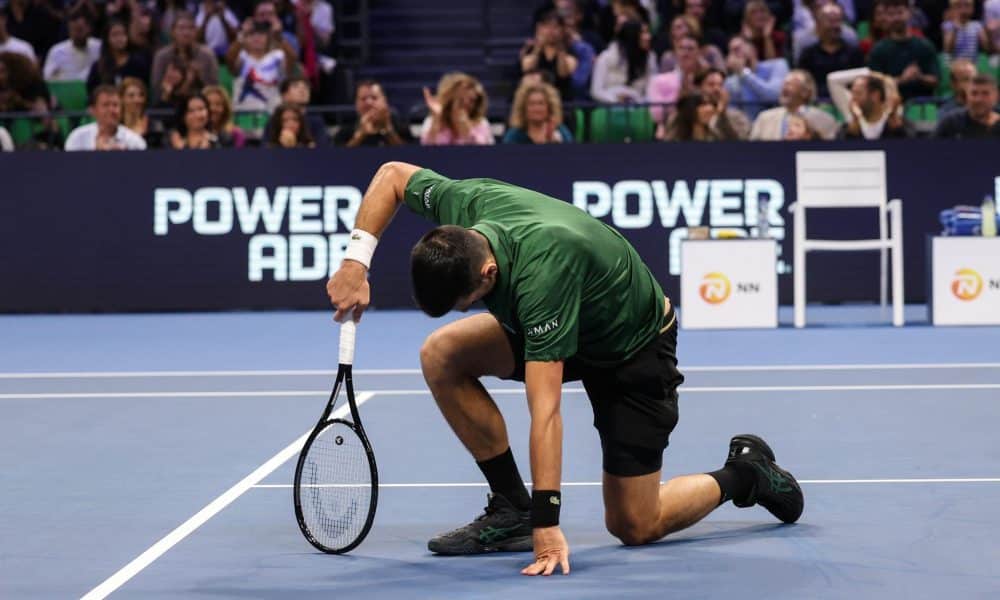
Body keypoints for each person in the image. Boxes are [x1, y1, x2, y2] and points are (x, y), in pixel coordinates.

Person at [325, 161, 805, 575]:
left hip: (631, 347)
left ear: (488, 274)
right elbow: (391, 177)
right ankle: (510, 508)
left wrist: (548, 522)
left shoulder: (541, 277)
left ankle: (747, 473)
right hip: (574, 322)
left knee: (635, 525)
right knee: (442, 353)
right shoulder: (466, 206)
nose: (468, 310)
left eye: (467, 302)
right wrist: (355, 262)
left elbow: (546, 413)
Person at [867, 0, 939, 101]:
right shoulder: (878, 50)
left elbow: (935, 81)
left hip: (923, 106)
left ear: (909, 13)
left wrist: (919, 76)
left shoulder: (924, 45)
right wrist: (902, 79)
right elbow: (876, 86)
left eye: (900, 13)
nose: (896, 18)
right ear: (886, 18)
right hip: (891, 105)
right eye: (891, 14)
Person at [151, 12, 220, 104]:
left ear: (196, 31)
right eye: (181, 28)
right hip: (169, 106)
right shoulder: (162, 56)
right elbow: (156, 92)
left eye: (191, 28)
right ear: (172, 32)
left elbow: (213, 90)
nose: (186, 33)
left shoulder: (207, 55)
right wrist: (169, 84)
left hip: (201, 106)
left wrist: (198, 77)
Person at [750, 70, 837, 140]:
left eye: (792, 83)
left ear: (805, 92)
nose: (785, 86)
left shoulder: (825, 120)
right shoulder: (764, 118)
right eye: (785, 83)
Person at [590, 19, 656, 103]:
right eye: (643, 33)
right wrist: (616, 99)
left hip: (638, 110)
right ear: (632, 36)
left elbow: (651, 93)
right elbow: (596, 91)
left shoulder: (650, 58)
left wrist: (635, 101)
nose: (648, 37)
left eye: (648, 32)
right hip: (609, 109)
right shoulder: (605, 58)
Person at [519, 9, 579, 100]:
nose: (551, 31)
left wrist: (560, 50)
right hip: (534, 96)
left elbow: (563, 73)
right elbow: (527, 69)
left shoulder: (570, 51)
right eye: (546, 26)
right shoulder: (531, 50)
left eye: (555, 27)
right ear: (539, 28)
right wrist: (538, 47)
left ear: (562, 30)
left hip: (562, 97)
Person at [64, 84, 147, 150]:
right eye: (106, 105)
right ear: (92, 110)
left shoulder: (135, 141)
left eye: (115, 105)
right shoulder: (77, 137)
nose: (112, 110)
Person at [420, 72, 494, 146]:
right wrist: (436, 122)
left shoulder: (482, 124)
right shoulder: (431, 121)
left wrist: (467, 133)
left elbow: (484, 154)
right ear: (450, 101)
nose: (466, 104)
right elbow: (426, 152)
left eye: (472, 100)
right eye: (461, 100)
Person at [724, 35, 788, 119]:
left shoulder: (778, 65)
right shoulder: (731, 82)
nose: (734, 55)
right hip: (748, 127)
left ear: (752, 49)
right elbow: (733, 112)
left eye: (737, 49)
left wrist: (743, 73)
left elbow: (774, 95)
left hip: (775, 123)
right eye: (731, 51)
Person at [333, 79, 412, 147]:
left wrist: (389, 132)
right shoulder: (347, 124)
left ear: (384, 101)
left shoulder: (399, 123)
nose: (369, 102)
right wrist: (360, 135)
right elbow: (337, 158)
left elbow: (411, 157)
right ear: (356, 103)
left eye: (374, 98)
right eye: (363, 99)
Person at [86, 19, 151, 94]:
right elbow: (92, 93)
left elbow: (144, 90)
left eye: (123, 34)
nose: (119, 38)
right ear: (107, 39)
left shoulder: (138, 63)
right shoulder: (98, 67)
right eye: (115, 35)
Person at [503, 81, 573, 143]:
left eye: (541, 103)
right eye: (531, 104)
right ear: (523, 109)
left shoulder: (561, 132)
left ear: (549, 107)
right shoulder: (514, 135)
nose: (536, 108)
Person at [934, 74, 1000, 138]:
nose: (978, 99)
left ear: (996, 96)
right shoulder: (951, 123)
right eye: (974, 93)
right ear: (967, 96)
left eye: (985, 93)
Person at [42, 10, 101, 81]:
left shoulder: (99, 46)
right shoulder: (57, 50)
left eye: (80, 29)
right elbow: (48, 77)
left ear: (89, 28)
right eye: (73, 29)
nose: (76, 34)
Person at [663, 91, 738, 141]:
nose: (710, 108)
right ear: (690, 109)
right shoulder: (675, 138)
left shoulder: (717, 133)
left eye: (711, 104)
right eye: (704, 104)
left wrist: (721, 116)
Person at [119, 76, 164, 148]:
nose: (137, 100)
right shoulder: (115, 127)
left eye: (141, 95)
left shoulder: (154, 126)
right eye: (131, 96)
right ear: (121, 99)